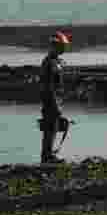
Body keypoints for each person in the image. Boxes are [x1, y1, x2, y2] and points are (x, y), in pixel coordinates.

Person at [39, 31, 70, 165]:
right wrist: (55, 104)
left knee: (54, 127)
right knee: (50, 128)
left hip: (55, 99)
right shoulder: (49, 62)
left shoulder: (56, 61)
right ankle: (47, 156)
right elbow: (48, 86)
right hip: (50, 100)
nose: (64, 49)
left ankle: (49, 155)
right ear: (55, 46)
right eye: (62, 46)